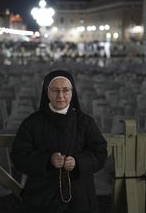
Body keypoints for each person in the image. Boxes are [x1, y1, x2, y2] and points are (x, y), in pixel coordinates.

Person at [11, 70, 108, 213]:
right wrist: (47, 161)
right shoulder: (31, 123)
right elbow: (19, 156)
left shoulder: (85, 122)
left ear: (72, 92)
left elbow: (100, 153)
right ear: (47, 92)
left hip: (79, 195)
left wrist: (78, 162)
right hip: (41, 196)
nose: (60, 95)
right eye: (55, 90)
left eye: (65, 90)